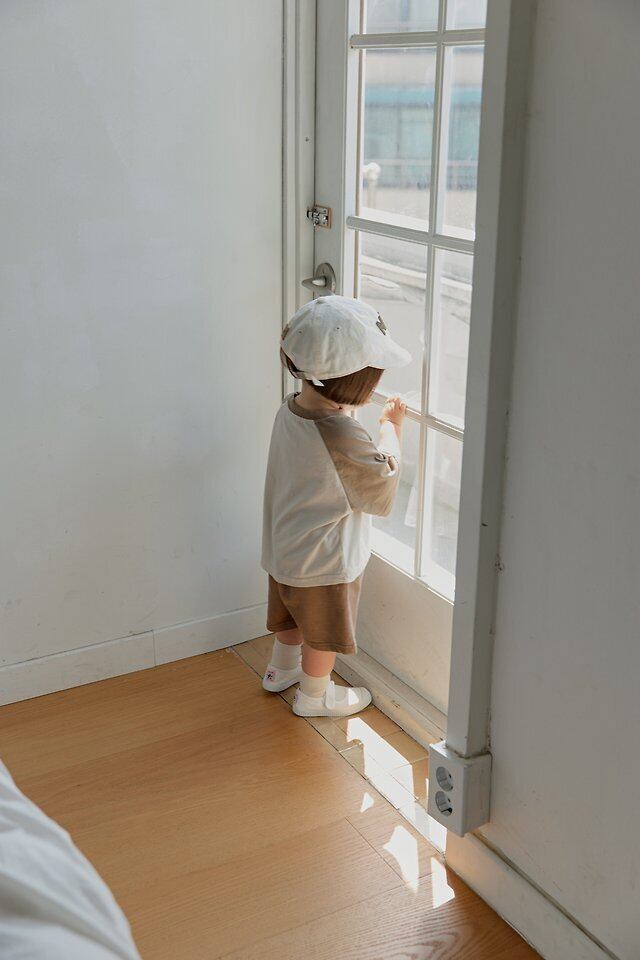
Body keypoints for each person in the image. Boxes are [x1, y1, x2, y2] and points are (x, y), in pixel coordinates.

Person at [261, 294, 410, 718]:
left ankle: (279, 670)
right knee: (322, 634)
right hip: (323, 561)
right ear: (357, 384)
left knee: (291, 618)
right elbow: (380, 485)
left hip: (284, 547)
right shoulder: (341, 434)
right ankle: (315, 696)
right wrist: (389, 428)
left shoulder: (291, 409)